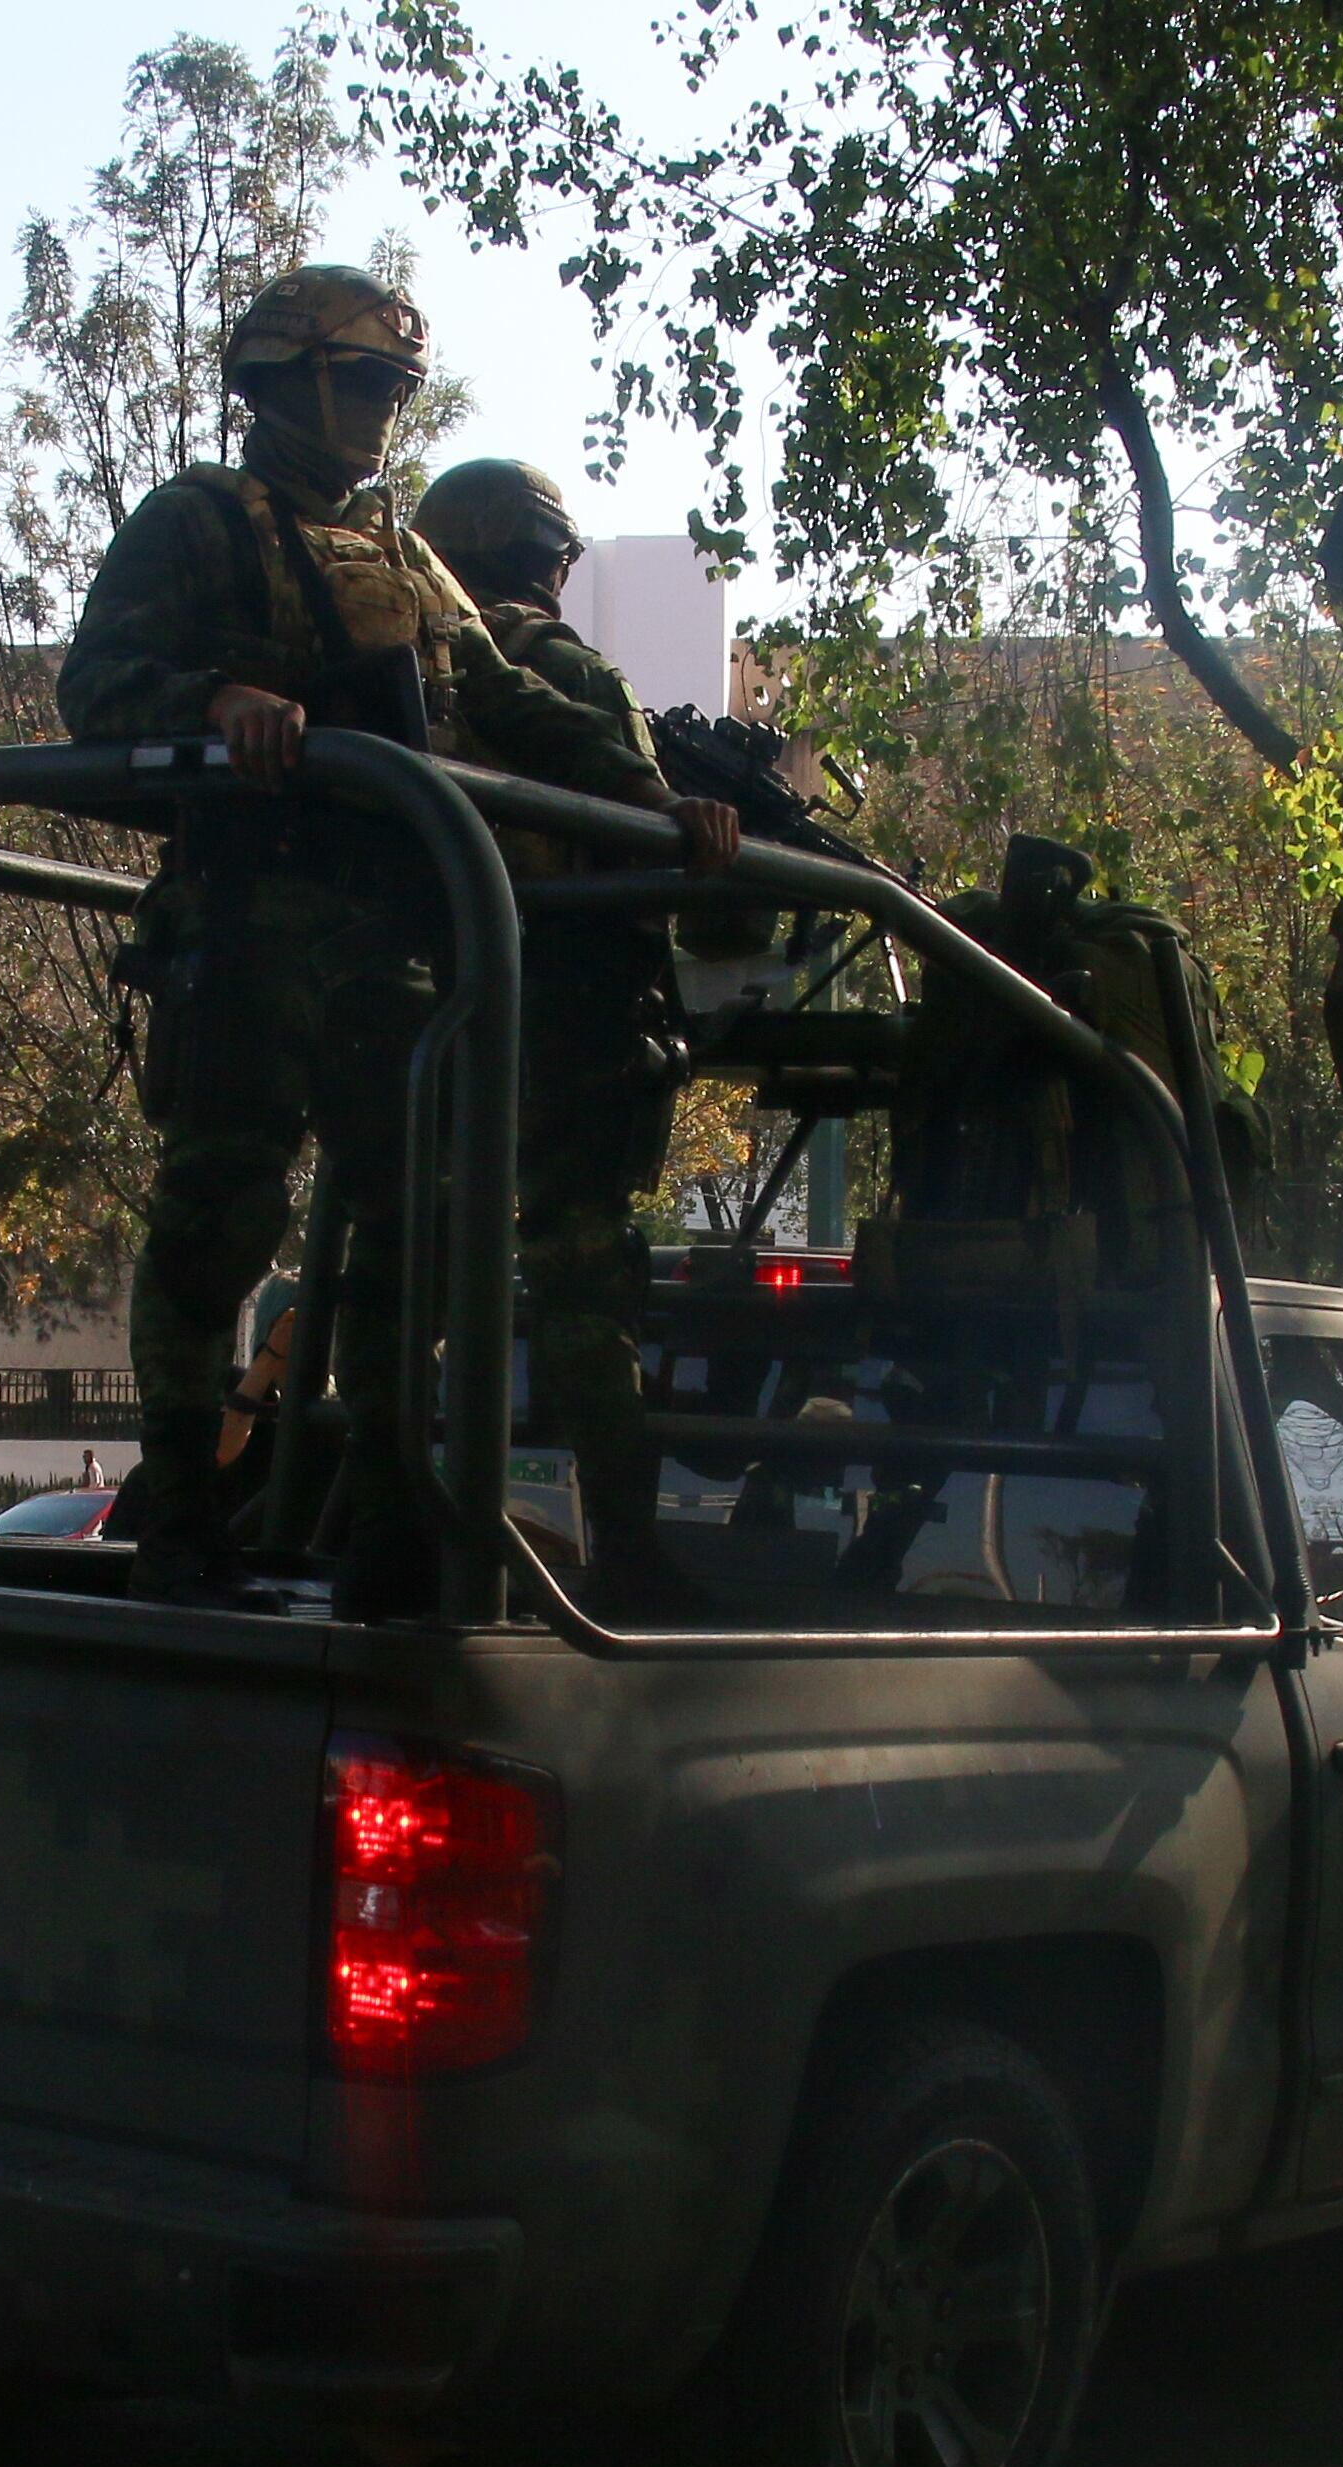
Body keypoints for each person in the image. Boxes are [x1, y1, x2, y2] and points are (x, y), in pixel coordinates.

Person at [55, 267, 692, 1609]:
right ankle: (180, 1518)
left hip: (383, 941)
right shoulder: (195, 524)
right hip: (242, 922)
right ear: (287, 381)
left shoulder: (400, 551)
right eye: (364, 385)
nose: (379, 415)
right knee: (215, 1222)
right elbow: (93, 686)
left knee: (412, 1230)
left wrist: (650, 798)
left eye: (397, 391)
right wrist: (213, 698)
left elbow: (502, 694)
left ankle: (394, 1515)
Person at [407, 457, 740, 1606]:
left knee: (405, 1267)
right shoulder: (560, 669)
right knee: (584, 1282)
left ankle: (376, 1515)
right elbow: (655, 845)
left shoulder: (408, 668)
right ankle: (630, 1553)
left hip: (432, 1008)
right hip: (574, 1017)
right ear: (538, 555)